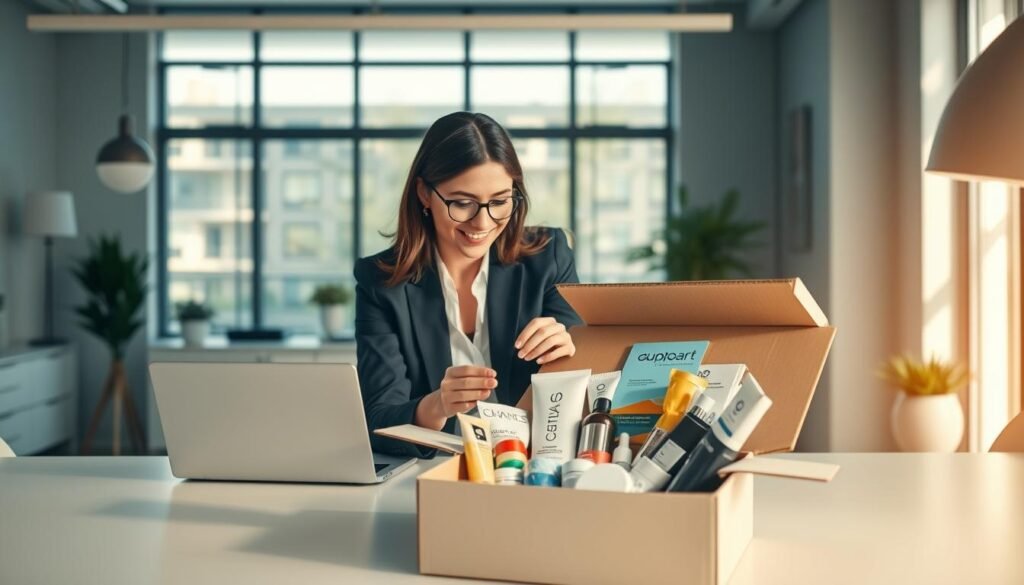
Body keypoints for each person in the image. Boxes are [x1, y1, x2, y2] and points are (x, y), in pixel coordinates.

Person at [355, 112, 583, 457]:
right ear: (424, 194)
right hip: (435, 472)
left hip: (534, 465)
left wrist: (570, 346)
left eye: (499, 201)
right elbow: (379, 421)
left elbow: (586, 387)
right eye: (462, 203)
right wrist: (437, 405)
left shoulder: (548, 257)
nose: (483, 221)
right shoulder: (381, 282)